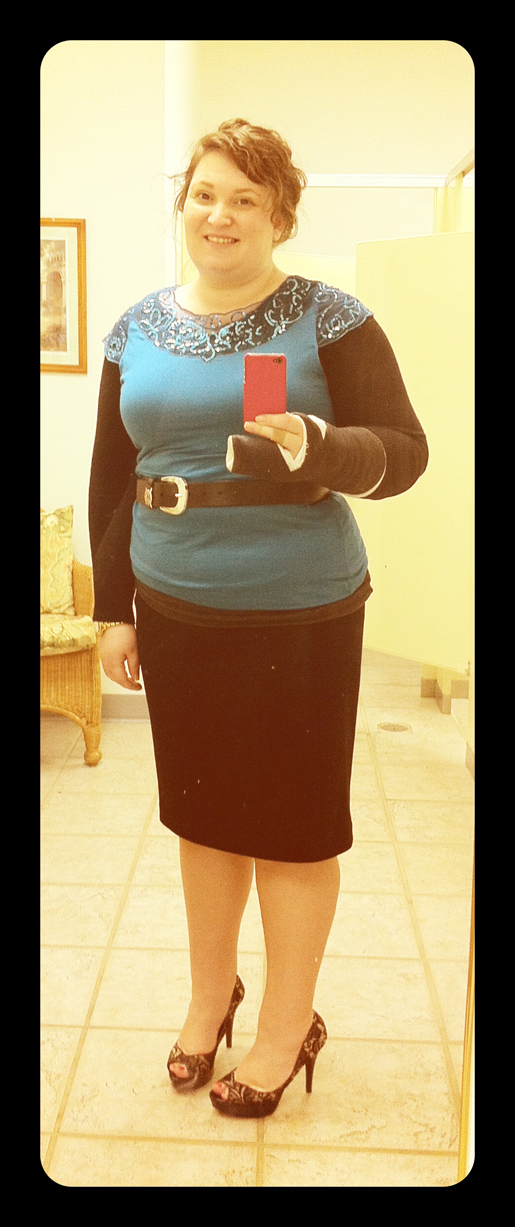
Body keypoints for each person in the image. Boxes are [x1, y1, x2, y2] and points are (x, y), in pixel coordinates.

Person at [89, 119, 428, 1119]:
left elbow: (403, 452)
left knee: (289, 827)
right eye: (204, 193)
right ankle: (211, 996)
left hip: (298, 610)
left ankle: (287, 1022)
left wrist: (320, 445)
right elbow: (112, 477)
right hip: (174, 605)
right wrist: (114, 610)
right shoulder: (134, 329)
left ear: (279, 215)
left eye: (245, 197)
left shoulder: (330, 318)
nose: (220, 214)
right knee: (201, 816)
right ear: (182, 206)